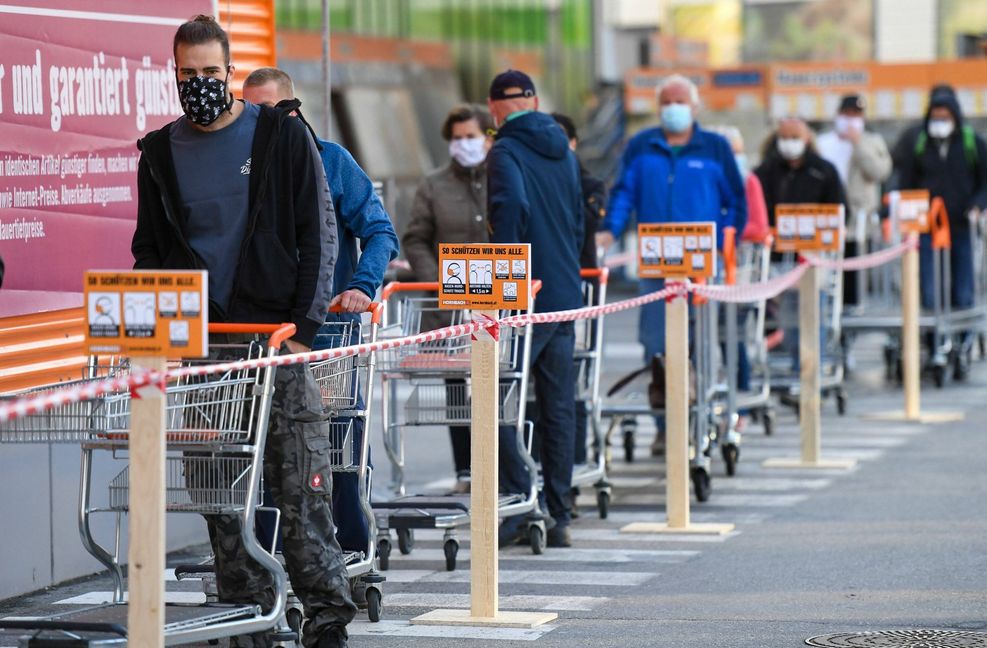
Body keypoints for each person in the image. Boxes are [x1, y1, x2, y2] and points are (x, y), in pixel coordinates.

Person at [131, 16, 355, 648]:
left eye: (210, 72)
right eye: (187, 73)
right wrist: (163, 334)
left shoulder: (281, 137)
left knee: (300, 483)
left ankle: (326, 613)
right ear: (173, 74)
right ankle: (246, 614)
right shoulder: (158, 153)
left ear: (230, 72)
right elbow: (149, 251)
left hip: (277, 340)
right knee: (219, 492)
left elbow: (318, 232)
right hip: (207, 347)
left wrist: (306, 330)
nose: (199, 83)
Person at [242, 68, 399, 564]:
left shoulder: (332, 161)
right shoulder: (240, 167)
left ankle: (351, 544)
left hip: (328, 327)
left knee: (336, 437)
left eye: (265, 111)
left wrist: (360, 286)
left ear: (292, 109)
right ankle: (273, 550)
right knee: (266, 444)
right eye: (247, 112)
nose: (255, 123)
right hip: (266, 332)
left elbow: (379, 231)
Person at [597, 74, 746, 455]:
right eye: (666, 101)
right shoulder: (641, 146)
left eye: (680, 101)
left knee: (698, 343)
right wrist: (610, 230)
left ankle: (696, 420)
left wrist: (723, 238)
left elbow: (736, 202)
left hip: (700, 264)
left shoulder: (714, 148)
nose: (673, 108)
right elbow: (624, 193)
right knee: (654, 342)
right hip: (655, 262)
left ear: (694, 107)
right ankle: (664, 423)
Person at [486, 69, 584, 548]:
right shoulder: (563, 148)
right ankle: (560, 513)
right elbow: (578, 218)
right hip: (564, 292)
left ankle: (521, 503)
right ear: (535, 101)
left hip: (525, 296)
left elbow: (510, 212)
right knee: (557, 406)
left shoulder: (504, 151)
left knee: (498, 399)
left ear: (493, 109)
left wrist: (504, 285)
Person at [402, 104, 494, 492]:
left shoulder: (505, 179)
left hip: (499, 305)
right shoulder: (434, 184)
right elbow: (416, 238)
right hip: (450, 309)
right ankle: (465, 470)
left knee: (502, 385)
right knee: (457, 389)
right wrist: (437, 282)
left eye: (470, 136)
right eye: (456, 138)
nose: (463, 144)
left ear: (489, 138)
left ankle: (502, 466)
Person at [894, 89, 987, 377]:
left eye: (944, 118)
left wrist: (976, 206)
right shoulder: (919, 143)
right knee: (929, 287)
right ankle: (933, 339)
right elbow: (905, 181)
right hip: (926, 227)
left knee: (963, 286)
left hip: (961, 225)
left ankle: (962, 340)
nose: (939, 123)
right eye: (935, 118)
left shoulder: (972, 143)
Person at [755, 116, 847, 374]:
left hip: (813, 259)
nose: (789, 144)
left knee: (811, 311)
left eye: (794, 138)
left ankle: (807, 368)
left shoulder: (824, 171)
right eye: (784, 138)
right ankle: (790, 363)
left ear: (806, 139)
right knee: (783, 315)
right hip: (775, 260)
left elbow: (839, 211)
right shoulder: (765, 172)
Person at [549, 111, 606, 483]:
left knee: (574, 375)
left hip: (578, 286)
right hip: (552, 291)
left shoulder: (586, 182)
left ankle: (577, 457)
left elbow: (585, 225)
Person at [816, 94, 892, 308]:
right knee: (826, 275)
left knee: (854, 276)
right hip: (827, 219)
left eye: (855, 115)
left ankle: (852, 312)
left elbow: (879, 172)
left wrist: (858, 143)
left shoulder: (872, 142)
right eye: (846, 114)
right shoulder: (823, 143)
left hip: (858, 224)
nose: (850, 120)